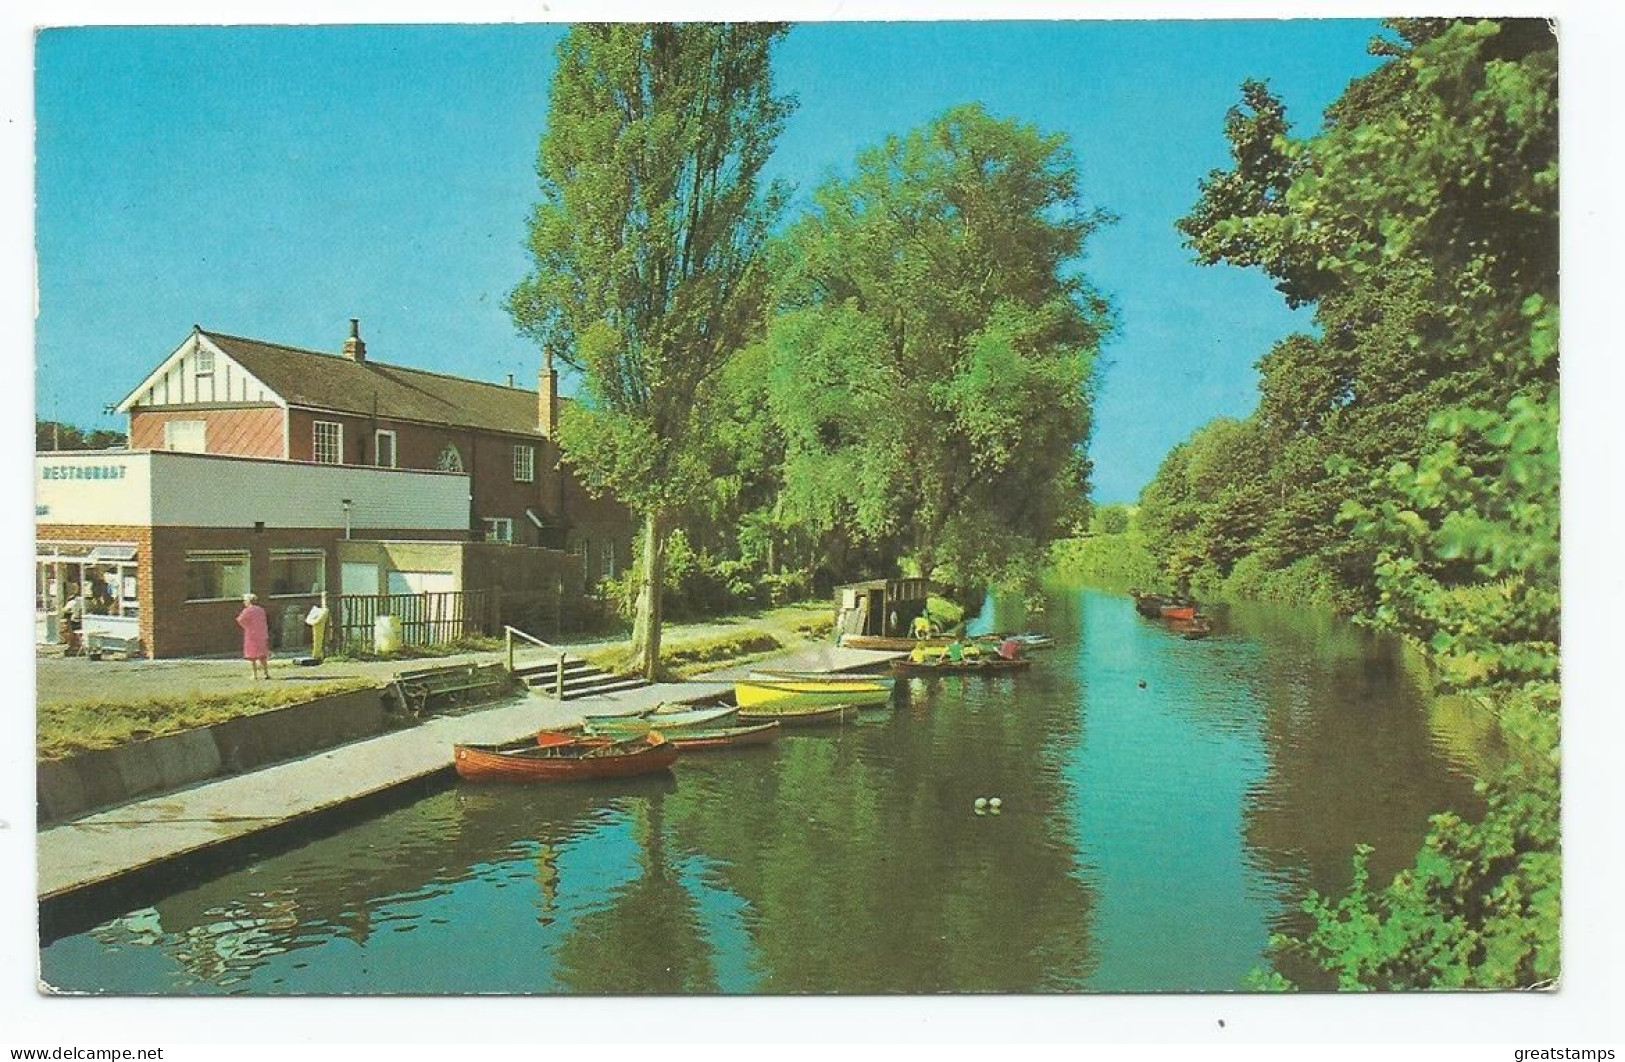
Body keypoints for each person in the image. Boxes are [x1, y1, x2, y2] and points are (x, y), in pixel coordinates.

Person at [237, 593, 271, 679]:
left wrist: (246, 626)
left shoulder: (247, 610)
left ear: (248, 601)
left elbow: (240, 619)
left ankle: (254, 674)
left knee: (252, 656)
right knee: (263, 655)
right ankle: (266, 673)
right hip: (262, 634)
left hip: (251, 635)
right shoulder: (261, 610)